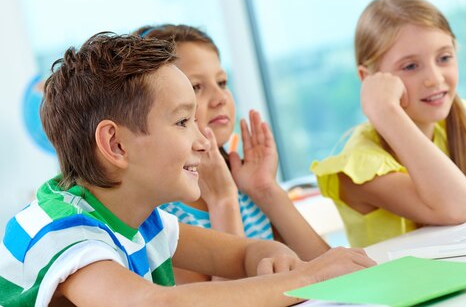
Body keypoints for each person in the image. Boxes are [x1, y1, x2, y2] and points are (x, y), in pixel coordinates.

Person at [0, 32, 374, 307]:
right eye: (183, 122)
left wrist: (269, 255)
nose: (203, 141)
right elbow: (152, 304)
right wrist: (307, 277)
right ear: (116, 145)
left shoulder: (138, 218)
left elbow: (245, 255)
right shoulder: (62, 232)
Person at [311, 0, 466, 248]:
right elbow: (461, 208)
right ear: (368, 79)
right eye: (410, 67)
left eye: (444, 58)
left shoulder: (459, 120)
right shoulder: (361, 166)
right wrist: (385, 112)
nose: (434, 78)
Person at [135, 25, 329, 282]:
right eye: (196, 87)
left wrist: (266, 190)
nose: (219, 98)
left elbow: (327, 269)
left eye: (222, 82)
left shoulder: (245, 188)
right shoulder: (163, 215)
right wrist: (222, 202)